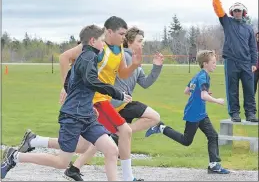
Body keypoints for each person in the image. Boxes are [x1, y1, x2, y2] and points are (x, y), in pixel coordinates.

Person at [17, 16, 143, 181]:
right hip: (95, 100)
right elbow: (64, 57)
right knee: (124, 132)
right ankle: (128, 178)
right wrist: (66, 87)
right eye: (121, 33)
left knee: (82, 146)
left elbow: (122, 74)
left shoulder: (118, 48)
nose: (124, 38)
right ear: (109, 31)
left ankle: (35, 141)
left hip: (100, 100)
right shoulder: (95, 48)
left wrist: (134, 65)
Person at [62, 27, 164, 180]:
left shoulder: (134, 62)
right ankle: (126, 173)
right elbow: (98, 69)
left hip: (122, 103)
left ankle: (74, 167)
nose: (142, 44)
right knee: (150, 119)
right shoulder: (118, 56)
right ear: (129, 42)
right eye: (139, 41)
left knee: (102, 140)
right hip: (114, 102)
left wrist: (156, 67)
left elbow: (145, 83)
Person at [145, 50, 230, 174]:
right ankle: (161, 127)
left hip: (200, 113)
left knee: (213, 135)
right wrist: (217, 100)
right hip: (194, 114)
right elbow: (203, 96)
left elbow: (186, 90)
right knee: (186, 141)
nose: (215, 65)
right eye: (213, 62)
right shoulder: (203, 76)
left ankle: (214, 165)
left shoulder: (198, 75)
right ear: (205, 64)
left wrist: (200, 92)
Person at [210, 0, 258, 122]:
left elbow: (253, 47)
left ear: (244, 12)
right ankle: (234, 113)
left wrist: (254, 63)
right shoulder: (227, 22)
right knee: (232, 89)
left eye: (240, 10)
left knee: (249, 90)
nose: (237, 12)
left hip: (246, 63)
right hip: (231, 61)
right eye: (235, 10)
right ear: (232, 12)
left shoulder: (249, 28)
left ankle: (250, 114)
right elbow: (218, 8)